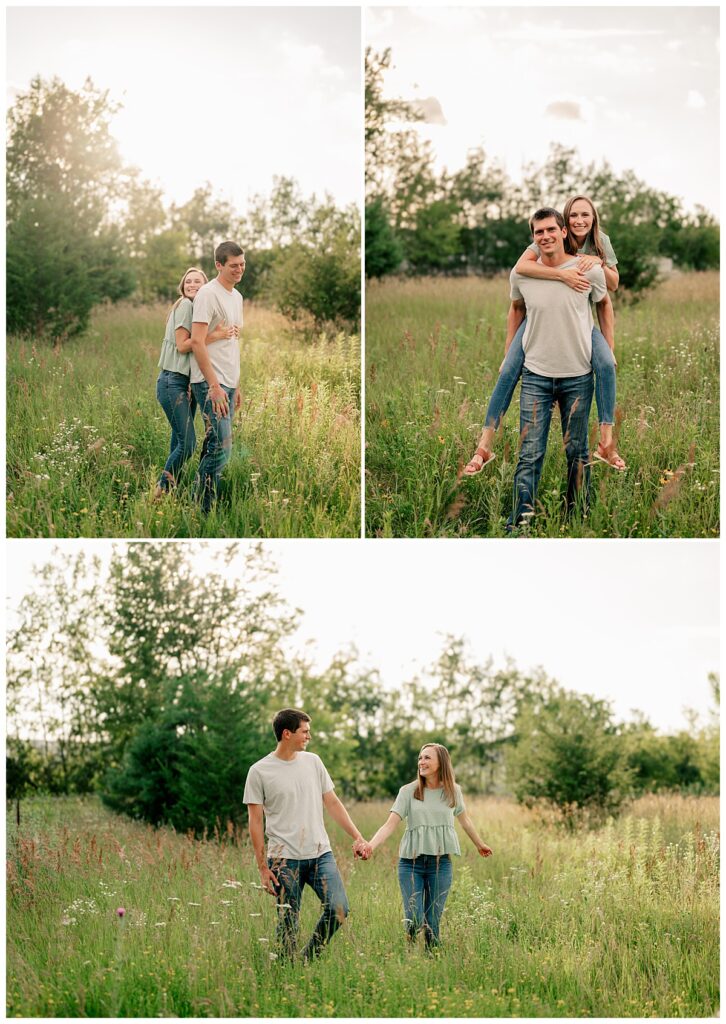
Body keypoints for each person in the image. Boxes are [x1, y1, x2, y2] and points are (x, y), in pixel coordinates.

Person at [464, 194, 625, 477]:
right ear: (565, 221)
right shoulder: (547, 233)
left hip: (579, 317)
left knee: (606, 363)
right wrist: (563, 274)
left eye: (585, 215)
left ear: (593, 218)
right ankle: (484, 445)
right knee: (508, 369)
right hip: (541, 316)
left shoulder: (601, 242)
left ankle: (607, 443)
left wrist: (593, 262)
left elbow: (611, 287)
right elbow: (521, 268)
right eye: (573, 215)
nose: (579, 221)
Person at [243, 708, 370, 962]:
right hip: (283, 860)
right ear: (287, 734)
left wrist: (358, 836)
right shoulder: (259, 771)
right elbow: (255, 822)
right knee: (289, 923)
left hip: (320, 853)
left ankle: (308, 958)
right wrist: (262, 869)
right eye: (305, 732)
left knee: (339, 908)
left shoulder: (314, 762)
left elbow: (332, 802)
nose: (309, 737)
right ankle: (285, 971)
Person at [362, 743, 492, 951]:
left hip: (441, 865)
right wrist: (370, 845)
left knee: (432, 924)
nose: (421, 762)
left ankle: (432, 960)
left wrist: (480, 844)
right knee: (413, 918)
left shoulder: (453, 792)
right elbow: (390, 824)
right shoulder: (408, 792)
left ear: (441, 762)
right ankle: (410, 954)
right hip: (411, 864)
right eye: (420, 758)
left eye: (427, 758)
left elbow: (465, 820)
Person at [154, 268, 236, 498]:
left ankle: (170, 491)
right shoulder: (185, 305)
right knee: (188, 444)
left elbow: (196, 346)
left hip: (185, 383)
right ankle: (161, 490)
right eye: (188, 281)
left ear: (205, 285)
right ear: (182, 286)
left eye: (197, 281)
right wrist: (217, 335)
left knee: (179, 442)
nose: (192, 285)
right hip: (172, 382)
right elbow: (183, 346)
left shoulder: (196, 307)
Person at [189, 241, 246, 512]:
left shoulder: (237, 297)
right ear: (219, 265)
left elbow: (232, 343)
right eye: (233, 265)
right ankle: (203, 506)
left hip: (229, 382)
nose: (239, 269)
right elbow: (198, 342)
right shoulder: (207, 295)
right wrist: (214, 385)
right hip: (209, 381)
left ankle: (195, 499)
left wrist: (237, 385)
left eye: (242, 264)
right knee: (223, 446)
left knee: (214, 442)